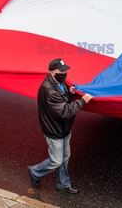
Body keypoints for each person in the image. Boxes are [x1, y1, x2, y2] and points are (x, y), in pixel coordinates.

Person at [28, 58, 92, 194]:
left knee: (65, 157)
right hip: (54, 131)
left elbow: (61, 101)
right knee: (56, 160)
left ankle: (63, 183)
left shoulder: (59, 84)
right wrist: (82, 101)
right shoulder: (48, 90)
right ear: (52, 73)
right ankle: (35, 171)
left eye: (65, 70)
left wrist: (70, 93)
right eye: (61, 71)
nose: (64, 73)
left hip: (63, 129)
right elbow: (64, 111)